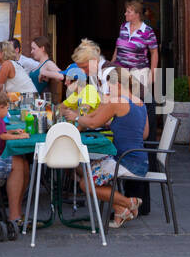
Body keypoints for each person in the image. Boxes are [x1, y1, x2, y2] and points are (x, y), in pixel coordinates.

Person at [64, 67, 149, 228]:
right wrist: (120, 124)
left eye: (109, 86)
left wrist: (76, 117)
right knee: (85, 168)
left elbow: (94, 123)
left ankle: (128, 202)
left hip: (125, 160)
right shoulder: (140, 103)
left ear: (117, 84)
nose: (108, 90)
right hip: (140, 160)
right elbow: (144, 134)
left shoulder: (118, 102)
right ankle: (119, 210)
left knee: (85, 184)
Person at [0, 91, 30, 226]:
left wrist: (13, 131)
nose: (7, 110)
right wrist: (19, 136)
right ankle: (14, 215)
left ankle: (16, 209)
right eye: (7, 108)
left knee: (21, 160)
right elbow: (3, 136)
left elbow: (1, 132)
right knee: (19, 160)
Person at [114, 0, 158, 101]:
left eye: (128, 12)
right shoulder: (123, 27)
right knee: (120, 102)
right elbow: (118, 47)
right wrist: (112, 63)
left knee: (137, 103)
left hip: (138, 72)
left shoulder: (147, 31)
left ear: (137, 14)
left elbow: (154, 53)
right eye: (126, 11)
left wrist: (152, 74)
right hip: (121, 71)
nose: (125, 13)